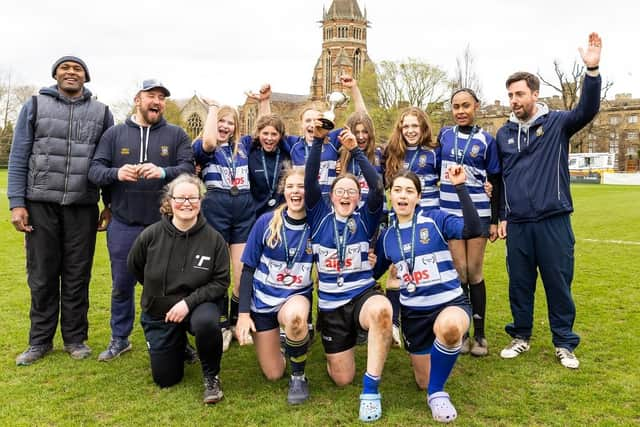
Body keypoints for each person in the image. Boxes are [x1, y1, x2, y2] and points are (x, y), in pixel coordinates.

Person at [496, 33, 603, 369]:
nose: (514, 100)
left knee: (558, 284)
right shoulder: (503, 134)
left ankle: (564, 343)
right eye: (510, 95)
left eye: (520, 94)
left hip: (554, 221)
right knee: (520, 285)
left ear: (535, 94)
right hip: (519, 225)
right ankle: (521, 336)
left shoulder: (557, 123)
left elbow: (587, 109)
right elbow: (500, 180)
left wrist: (592, 71)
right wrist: (500, 216)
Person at [8, 55, 114, 365]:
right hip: (41, 203)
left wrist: (108, 204)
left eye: (77, 69)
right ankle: (39, 341)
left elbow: (106, 161)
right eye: (64, 68)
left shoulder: (101, 112)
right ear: (55, 75)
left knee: (77, 275)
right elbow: (18, 157)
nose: (70, 72)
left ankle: (74, 338)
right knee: (41, 275)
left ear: (86, 77)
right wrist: (17, 203)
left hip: (82, 206)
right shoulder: (35, 105)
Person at [89, 79, 194, 361]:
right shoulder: (114, 135)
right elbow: (95, 171)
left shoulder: (176, 135)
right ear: (138, 99)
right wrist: (117, 174)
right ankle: (120, 339)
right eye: (152, 96)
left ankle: (177, 340)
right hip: (124, 223)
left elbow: (187, 168)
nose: (157, 101)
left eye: (161, 97)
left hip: (164, 225)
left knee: (170, 287)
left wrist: (162, 172)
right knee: (122, 285)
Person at [374, 168, 481, 423]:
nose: (403, 195)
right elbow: (372, 272)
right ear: (390, 195)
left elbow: (473, 229)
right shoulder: (387, 237)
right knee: (423, 380)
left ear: (418, 197)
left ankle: (437, 393)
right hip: (415, 314)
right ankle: (439, 356)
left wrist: (461, 187)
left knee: (451, 328)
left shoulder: (436, 219)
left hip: (449, 302)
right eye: (397, 190)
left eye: (409, 191)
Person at [305, 119, 391, 423]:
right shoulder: (318, 217)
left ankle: (371, 390)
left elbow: (377, 187)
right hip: (331, 306)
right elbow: (309, 182)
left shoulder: (366, 219)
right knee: (341, 378)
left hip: (362, 294)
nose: (345, 195)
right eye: (340, 190)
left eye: (351, 191)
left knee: (382, 310)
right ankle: (349, 342)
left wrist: (355, 152)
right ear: (331, 197)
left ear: (358, 198)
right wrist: (318, 141)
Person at [127, 174, 229, 403]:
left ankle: (211, 377)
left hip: (199, 306)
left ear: (200, 201)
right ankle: (179, 344)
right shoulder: (150, 236)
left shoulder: (214, 240)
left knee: (206, 322)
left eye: (192, 198)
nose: (186, 203)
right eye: (181, 198)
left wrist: (187, 303)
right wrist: (161, 295)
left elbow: (220, 283)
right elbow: (135, 267)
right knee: (166, 379)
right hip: (161, 312)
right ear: (170, 202)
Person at [193, 94, 268, 349]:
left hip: (243, 211)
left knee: (241, 273)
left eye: (230, 122)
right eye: (221, 121)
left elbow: (265, 125)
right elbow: (211, 140)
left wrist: (264, 101)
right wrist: (213, 108)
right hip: (216, 209)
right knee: (219, 272)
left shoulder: (244, 146)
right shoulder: (203, 146)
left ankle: (238, 321)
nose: (225, 126)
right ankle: (222, 324)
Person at [236, 168, 314, 405]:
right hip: (262, 302)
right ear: (284, 190)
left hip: (294, 296)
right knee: (273, 374)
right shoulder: (266, 222)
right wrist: (242, 314)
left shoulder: (316, 225)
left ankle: (299, 376)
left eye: (301, 186)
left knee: (296, 319)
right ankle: (288, 342)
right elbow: (247, 269)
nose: (295, 191)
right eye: (290, 186)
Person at [437, 88, 501, 356]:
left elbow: (496, 180)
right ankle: (461, 333)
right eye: (456, 106)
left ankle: (481, 335)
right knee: (458, 271)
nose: (460, 111)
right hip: (449, 211)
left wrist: (495, 220)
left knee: (474, 271)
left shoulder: (487, 140)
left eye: (466, 105)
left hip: (478, 212)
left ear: (476, 106)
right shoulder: (443, 136)